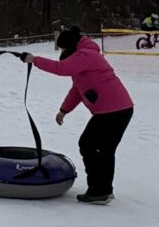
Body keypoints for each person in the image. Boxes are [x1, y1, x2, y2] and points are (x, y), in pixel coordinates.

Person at [23, 26, 134, 204]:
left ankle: (99, 192)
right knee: (103, 150)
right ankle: (103, 190)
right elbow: (77, 89)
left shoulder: (86, 55)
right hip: (118, 109)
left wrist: (34, 60)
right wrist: (63, 110)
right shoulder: (86, 56)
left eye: (63, 48)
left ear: (70, 46)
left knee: (89, 145)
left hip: (113, 111)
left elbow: (61, 68)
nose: (62, 52)